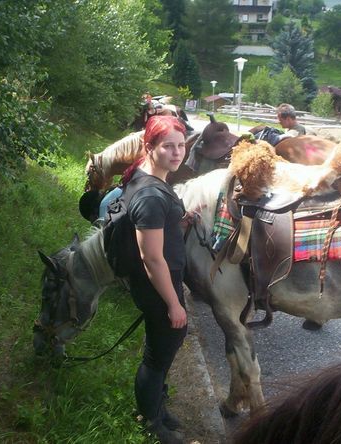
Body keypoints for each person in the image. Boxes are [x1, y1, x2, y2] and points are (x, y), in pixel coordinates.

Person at [121, 115, 189, 444]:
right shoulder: (150, 195)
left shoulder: (148, 178)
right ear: (150, 147)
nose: (177, 153)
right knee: (158, 354)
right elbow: (152, 258)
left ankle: (157, 406)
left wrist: (181, 218)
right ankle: (150, 422)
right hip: (158, 286)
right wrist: (173, 304)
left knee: (163, 348)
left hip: (160, 281)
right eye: (169, 146)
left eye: (181, 145)